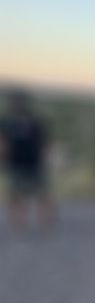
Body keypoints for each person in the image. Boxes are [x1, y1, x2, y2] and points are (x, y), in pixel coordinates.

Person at [0, 90, 53, 231]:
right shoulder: (8, 123)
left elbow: (44, 144)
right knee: (17, 195)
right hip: (19, 163)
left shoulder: (35, 123)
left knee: (40, 193)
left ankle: (43, 221)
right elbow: (3, 144)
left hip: (33, 163)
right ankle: (20, 222)